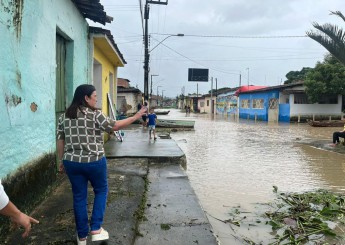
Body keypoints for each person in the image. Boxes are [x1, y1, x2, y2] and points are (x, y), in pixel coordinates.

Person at [56, 84, 147, 244]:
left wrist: (60, 161)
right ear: (86, 98)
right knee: (101, 190)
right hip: (94, 161)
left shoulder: (64, 116)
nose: (97, 99)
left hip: (71, 162)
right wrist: (136, 116)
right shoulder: (95, 114)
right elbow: (115, 126)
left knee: (79, 197)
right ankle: (96, 228)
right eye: (95, 96)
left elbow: (60, 140)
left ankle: (82, 237)